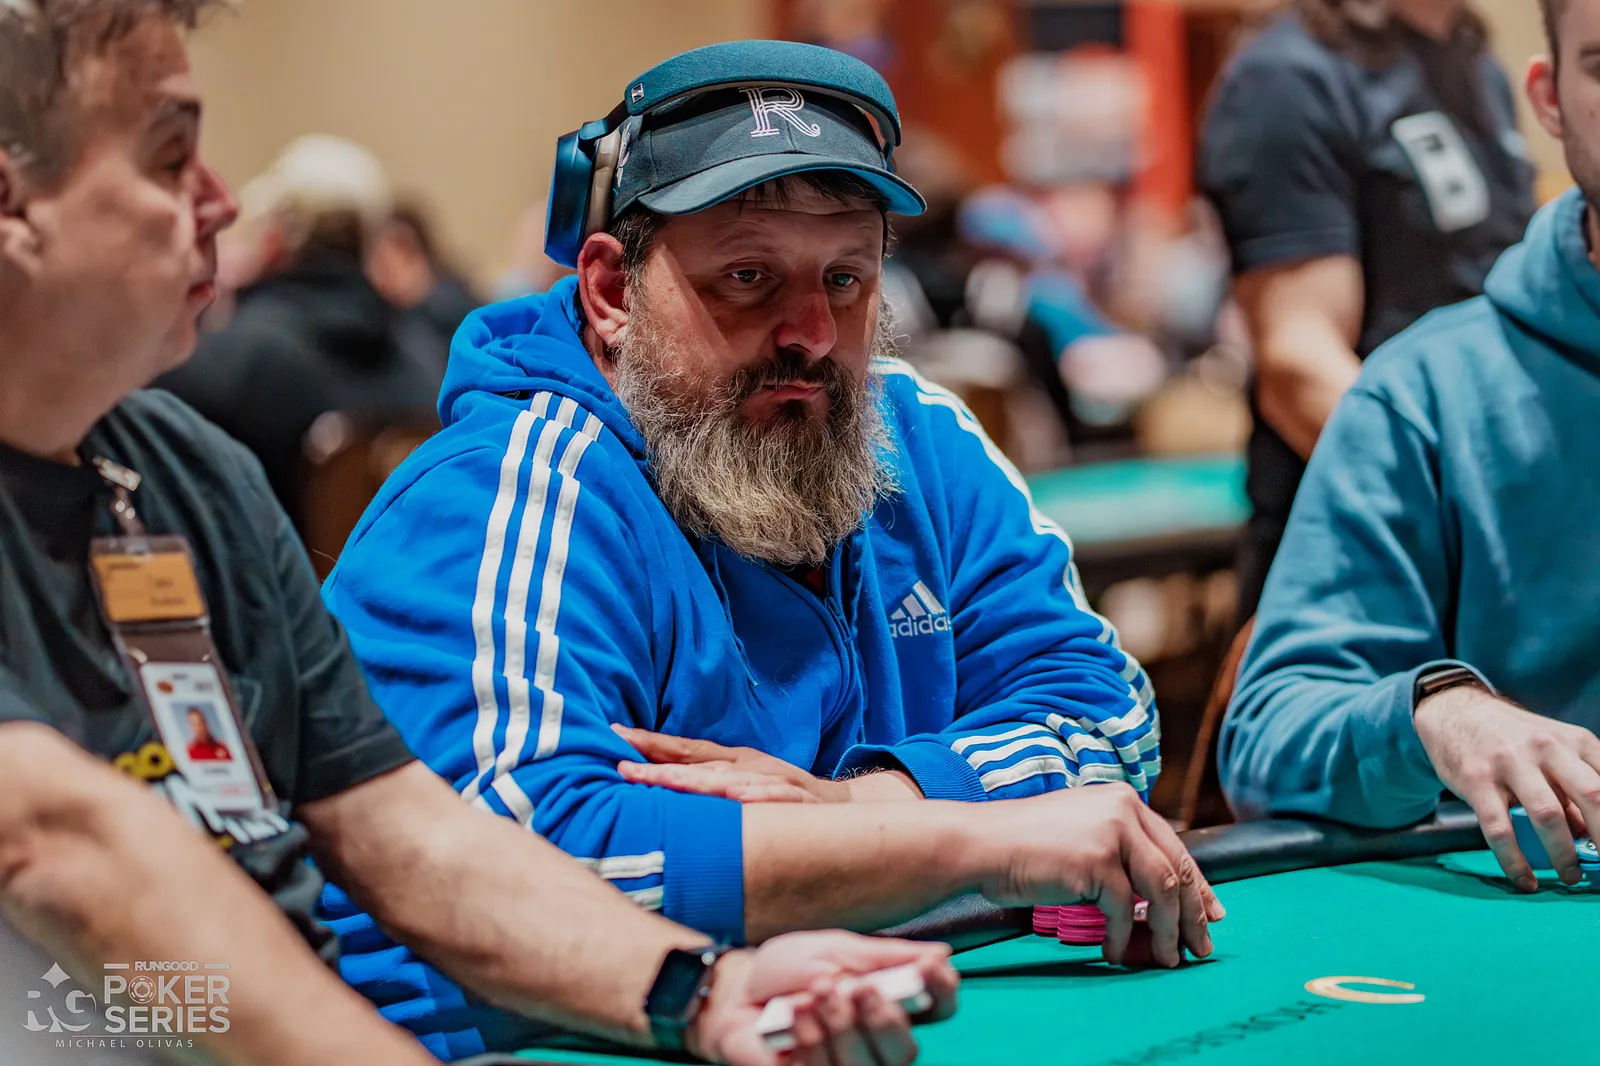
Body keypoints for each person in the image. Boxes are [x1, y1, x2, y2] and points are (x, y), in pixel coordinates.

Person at [0, 4, 965, 1064]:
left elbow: (404, 831)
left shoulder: (186, 472)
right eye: (169, 156)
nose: (223, 200)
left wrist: (697, 992)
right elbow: (63, 846)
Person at [321, 40, 1224, 1050]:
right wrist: (970, 837)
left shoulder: (919, 437)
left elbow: (1106, 712)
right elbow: (504, 864)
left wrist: (869, 802)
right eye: (747, 277)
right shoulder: (508, 487)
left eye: (846, 278)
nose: (812, 332)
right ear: (611, 291)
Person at [1221, 0, 1600, 894]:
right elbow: (1271, 733)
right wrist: (1438, 706)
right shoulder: (1424, 396)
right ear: (1550, 99)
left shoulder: (1461, 58)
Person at [1198, 0, 1537, 620]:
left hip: (1491, 552)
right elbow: (1299, 368)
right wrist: (1479, 509)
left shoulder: (1474, 65)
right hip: (1363, 566)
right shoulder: (1290, 76)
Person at [157, 134, 443, 534]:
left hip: (273, 573)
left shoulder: (227, 365)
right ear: (372, 246)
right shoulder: (429, 362)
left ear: (273, 241)